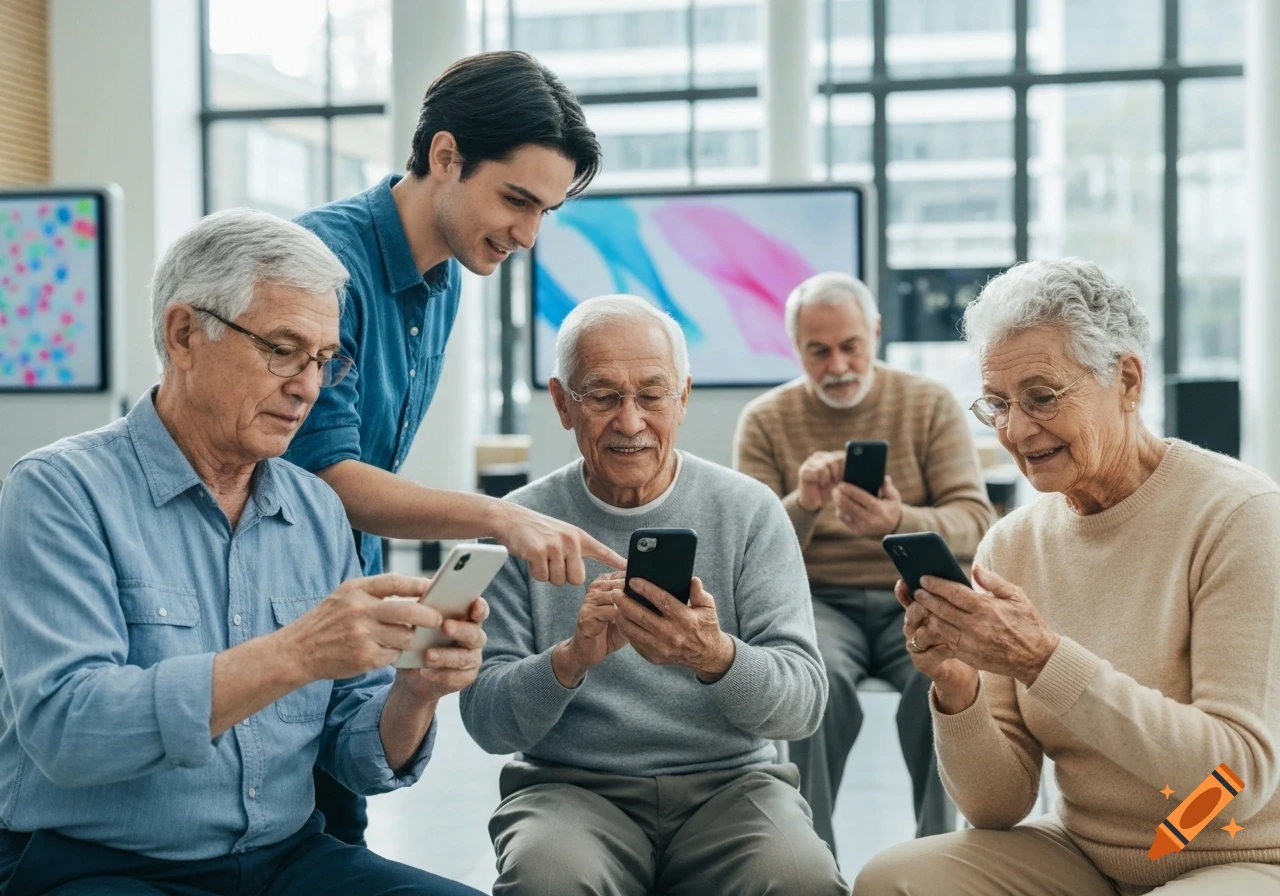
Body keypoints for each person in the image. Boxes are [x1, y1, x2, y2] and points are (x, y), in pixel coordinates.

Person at [0, 210, 487, 895]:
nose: (308, 387)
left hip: (286, 861)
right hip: (100, 864)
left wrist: (416, 690)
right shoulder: (60, 491)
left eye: (323, 360)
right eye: (283, 349)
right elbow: (68, 730)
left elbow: (356, 752)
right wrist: (296, 653)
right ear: (184, 335)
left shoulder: (315, 509)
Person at [854, 258, 1280, 895]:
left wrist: (1043, 661)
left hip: (1239, 853)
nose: (1017, 429)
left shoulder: (1239, 516)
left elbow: (1234, 781)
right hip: (1087, 854)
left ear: (1127, 380)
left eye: (1042, 397)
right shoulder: (1010, 545)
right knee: (893, 879)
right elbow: (998, 805)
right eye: (998, 404)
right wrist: (958, 687)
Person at [287, 49, 623, 844]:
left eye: (545, 211)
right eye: (516, 200)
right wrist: (499, 517)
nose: (528, 234)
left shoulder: (442, 284)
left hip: (344, 588)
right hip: (267, 599)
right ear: (445, 155)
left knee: (335, 826)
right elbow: (322, 476)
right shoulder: (319, 268)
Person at [459, 295, 848, 895]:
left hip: (732, 786)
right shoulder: (521, 523)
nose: (630, 422)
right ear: (562, 403)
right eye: (603, 396)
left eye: (652, 395)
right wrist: (571, 660)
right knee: (547, 880)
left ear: (683, 398)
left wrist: (713, 656)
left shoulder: (749, 512)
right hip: (570, 787)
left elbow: (803, 705)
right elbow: (488, 723)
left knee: (802, 879)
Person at [733, 271, 994, 854]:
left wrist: (897, 519)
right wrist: (804, 504)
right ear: (794, 347)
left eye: (851, 346)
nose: (839, 366)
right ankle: (812, 862)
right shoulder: (766, 419)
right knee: (812, 682)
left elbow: (976, 522)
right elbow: (748, 551)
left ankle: (938, 856)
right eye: (818, 351)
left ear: (875, 332)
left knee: (943, 678)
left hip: (918, 597)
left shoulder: (928, 404)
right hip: (818, 601)